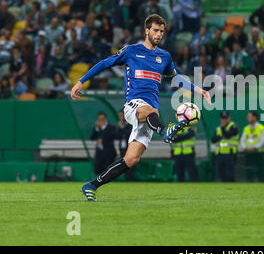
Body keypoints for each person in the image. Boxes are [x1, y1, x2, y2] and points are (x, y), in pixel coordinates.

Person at [72, 14, 211, 201]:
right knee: (150, 111)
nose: (159, 34)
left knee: (131, 159)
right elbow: (106, 63)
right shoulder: (131, 51)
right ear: (147, 30)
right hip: (133, 105)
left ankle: (91, 185)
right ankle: (165, 131)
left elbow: (175, 78)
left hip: (150, 115)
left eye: (162, 31)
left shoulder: (165, 56)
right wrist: (81, 81)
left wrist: (197, 89)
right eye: (155, 30)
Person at [211, 111, 239, 182]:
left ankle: (231, 188)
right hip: (220, 153)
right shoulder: (218, 128)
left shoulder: (233, 126)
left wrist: (222, 130)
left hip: (230, 153)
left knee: (230, 174)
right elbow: (213, 140)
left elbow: (228, 135)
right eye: (223, 118)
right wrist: (221, 136)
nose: (224, 120)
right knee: (221, 174)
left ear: (229, 118)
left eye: (226, 118)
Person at [116, 109, 134, 181]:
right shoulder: (120, 124)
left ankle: (131, 179)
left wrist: (122, 128)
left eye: (122, 115)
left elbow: (129, 134)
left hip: (129, 147)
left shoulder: (131, 124)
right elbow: (117, 136)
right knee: (123, 163)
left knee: (130, 163)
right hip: (122, 148)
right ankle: (126, 178)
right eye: (120, 116)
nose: (121, 117)